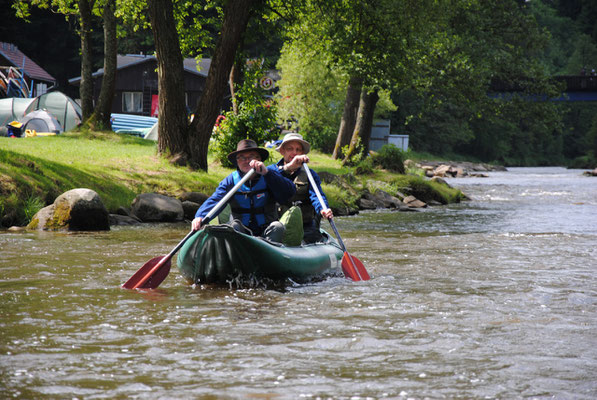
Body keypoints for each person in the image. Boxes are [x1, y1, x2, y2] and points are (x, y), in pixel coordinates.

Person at [192, 139, 296, 243]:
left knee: (277, 227)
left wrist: (267, 173)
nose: (246, 161)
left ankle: (269, 254)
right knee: (233, 226)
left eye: (251, 157)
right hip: (241, 232)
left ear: (259, 159)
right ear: (237, 162)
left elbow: (289, 193)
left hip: (266, 231)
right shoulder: (230, 181)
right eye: (242, 158)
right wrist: (200, 216)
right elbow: (215, 200)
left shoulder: (270, 174)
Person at [275, 133, 333, 244]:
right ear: (282, 151)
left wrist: (323, 208)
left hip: (305, 226)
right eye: (290, 149)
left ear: (302, 153)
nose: (294, 153)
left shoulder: (310, 175)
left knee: (309, 238)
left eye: (298, 149)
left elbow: (317, 195)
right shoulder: (272, 171)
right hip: (277, 224)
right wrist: (288, 168)